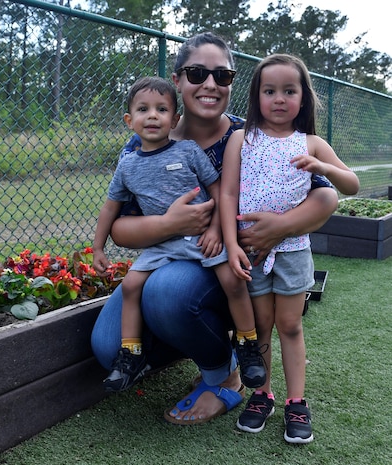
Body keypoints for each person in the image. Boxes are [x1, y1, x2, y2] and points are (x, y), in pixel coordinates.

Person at [90, 32, 339, 426]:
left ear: (232, 83)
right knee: (107, 346)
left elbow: (326, 198)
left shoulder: (253, 136)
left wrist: (280, 228)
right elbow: (121, 229)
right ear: (177, 79)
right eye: (196, 73)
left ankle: (226, 375)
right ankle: (194, 333)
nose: (209, 84)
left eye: (221, 76)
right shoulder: (144, 143)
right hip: (170, 253)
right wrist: (169, 223)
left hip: (234, 265)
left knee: (167, 292)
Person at [93, 76, 266, 393]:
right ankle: (130, 354)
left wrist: (215, 228)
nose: (153, 116)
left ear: (175, 120)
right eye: (143, 109)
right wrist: (97, 248)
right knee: (131, 285)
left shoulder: (188, 151)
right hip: (163, 246)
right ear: (129, 120)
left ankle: (247, 344)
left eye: (162, 109)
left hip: (202, 239)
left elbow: (218, 192)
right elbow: (110, 209)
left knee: (232, 281)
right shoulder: (127, 164)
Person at [220, 53, 359, 443]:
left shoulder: (312, 143)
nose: (279, 98)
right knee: (261, 325)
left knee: (291, 325)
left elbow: (351, 185)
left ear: (303, 97)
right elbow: (229, 192)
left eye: (289, 90)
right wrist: (231, 244)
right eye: (270, 91)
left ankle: (297, 401)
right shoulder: (241, 138)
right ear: (256, 96)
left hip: (295, 249)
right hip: (251, 251)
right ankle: (262, 395)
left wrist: (325, 168)